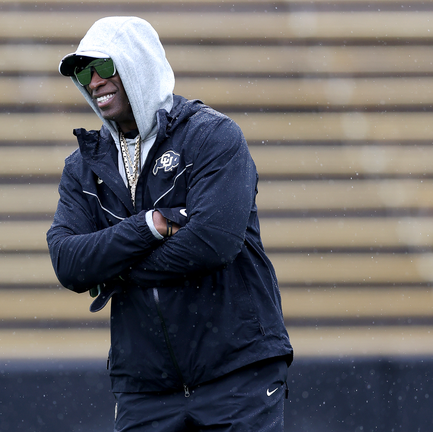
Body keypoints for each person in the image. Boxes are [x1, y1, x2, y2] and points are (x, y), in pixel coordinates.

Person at [46, 16, 294, 432]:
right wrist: (151, 226)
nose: (93, 82)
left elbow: (213, 242)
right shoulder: (83, 167)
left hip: (237, 374)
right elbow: (69, 263)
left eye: (103, 67)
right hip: (145, 389)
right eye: (83, 72)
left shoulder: (212, 136)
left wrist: (116, 272)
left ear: (137, 64)